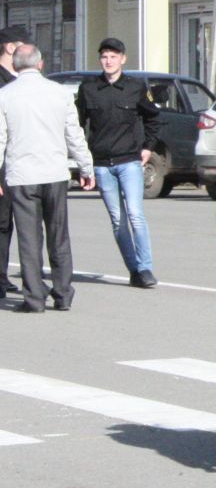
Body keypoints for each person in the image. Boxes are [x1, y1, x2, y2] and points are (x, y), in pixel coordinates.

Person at [0, 44, 93, 313]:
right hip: (54, 172)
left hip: (21, 175)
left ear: (16, 66)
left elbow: (0, 138)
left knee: (29, 239)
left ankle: (34, 298)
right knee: (58, 233)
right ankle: (63, 293)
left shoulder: (5, 95)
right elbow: (73, 134)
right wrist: (86, 168)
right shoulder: (60, 93)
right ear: (41, 65)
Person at [73, 37, 161, 288]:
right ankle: (134, 269)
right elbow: (77, 126)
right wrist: (83, 164)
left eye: (113, 56)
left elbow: (153, 117)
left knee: (135, 215)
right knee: (117, 219)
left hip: (129, 161)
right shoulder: (89, 88)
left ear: (123, 59)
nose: (108, 61)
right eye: (104, 56)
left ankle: (145, 268)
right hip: (101, 164)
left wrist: (147, 147)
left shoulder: (135, 87)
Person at [0, 24, 28, 300]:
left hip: (19, 163)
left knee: (8, 223)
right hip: (2, 164)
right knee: (1, 222)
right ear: (10, 48)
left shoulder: (20, 80)